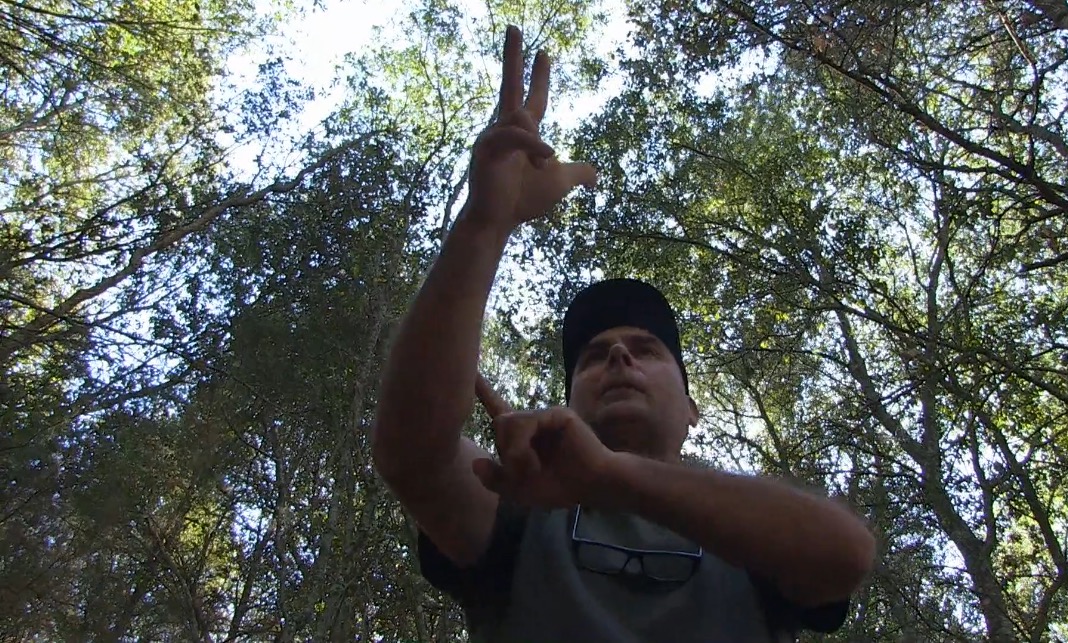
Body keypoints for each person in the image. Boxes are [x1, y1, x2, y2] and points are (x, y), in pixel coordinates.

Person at [372, 24, 876, 642]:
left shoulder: (749, 527)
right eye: (591, 357)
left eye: (646, 349)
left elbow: (845, 555)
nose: (616, 354)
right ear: (568, 404)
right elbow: (411, 456)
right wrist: (485, 220)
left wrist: (610, 477)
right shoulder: (520, 509)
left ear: (692, 409)